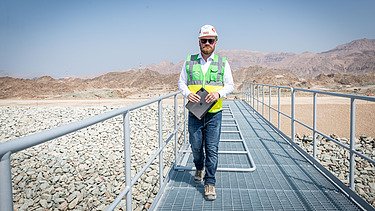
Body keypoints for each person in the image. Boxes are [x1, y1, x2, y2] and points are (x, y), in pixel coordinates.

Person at [178, 24, 234, 201]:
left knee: (212, 149)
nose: (207, 43)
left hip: (214, 113)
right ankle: (199, 167)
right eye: (204, 40)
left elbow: (230, 85)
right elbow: (181, 83)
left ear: (216, 42)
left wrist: (219, 93)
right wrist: (188, 94)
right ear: (199, 42)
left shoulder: (222, 63)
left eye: (210, 40)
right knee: (195, 146)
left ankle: (210, 182)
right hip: (195, 112)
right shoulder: (189, 61)